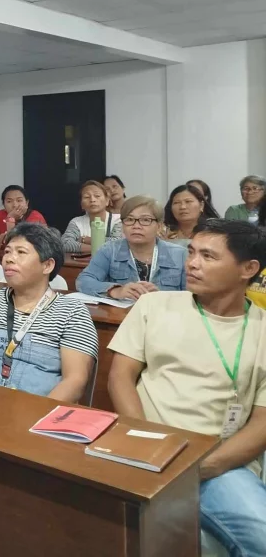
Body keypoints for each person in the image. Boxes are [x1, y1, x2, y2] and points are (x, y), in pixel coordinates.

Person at [107, 220, 266, 555]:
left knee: (261, 537)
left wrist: (198, 470)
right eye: (191, 252)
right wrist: (146, 446)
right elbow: (120, 378)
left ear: (248, 269)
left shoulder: (262, 329)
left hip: (219, 463)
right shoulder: (155, 305)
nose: (191, 263)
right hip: (145, 452)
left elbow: (262, 423)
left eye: (208, 256)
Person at [0, 223, 97, 401]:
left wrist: (38, 416)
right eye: (7, 252)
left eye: (21, 252)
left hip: (38, 412)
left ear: (47, 265)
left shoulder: (72, 313)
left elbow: (75, 380)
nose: (9, 259)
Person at [77, 195, 187, 299]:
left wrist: (163, 298)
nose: (136, 226)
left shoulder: (180, 255)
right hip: (122, 316)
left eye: (145, 220)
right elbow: (83, 281)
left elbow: (194, 296)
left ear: (159, 226)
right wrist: (115, 291)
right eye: (129, 219)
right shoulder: (109, 250)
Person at [62, 180, 123, 255]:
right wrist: (95, 248)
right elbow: (65, 244)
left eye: (97, 196)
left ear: (107, 201)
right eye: (87, 197)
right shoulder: (76, 222)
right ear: (82, 205)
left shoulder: (118, 220)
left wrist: (85, 239)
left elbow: (117, 243)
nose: (92, 200)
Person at [0, 185, 47, 253]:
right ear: (4, 205)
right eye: (9, 201)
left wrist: (10, 218)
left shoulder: (35, 217)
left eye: (19, 200)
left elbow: (15, 242)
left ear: (27, 203)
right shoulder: (0, 215)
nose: (15, 205)